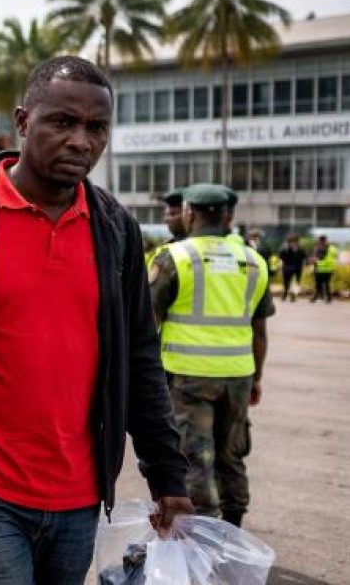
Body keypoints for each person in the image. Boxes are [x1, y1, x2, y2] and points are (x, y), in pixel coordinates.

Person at [0, 56, 192, 585]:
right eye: (63, 122)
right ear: (23, 121)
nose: (81, 141)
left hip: (79, 497)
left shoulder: (115, 228)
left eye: (96, 128)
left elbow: (140, 358)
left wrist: (167, 473)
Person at [148, 184, 274, 527]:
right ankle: (233, 526)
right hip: (239, 374)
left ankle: (203, 535)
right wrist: (257, 378)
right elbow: (259, 331)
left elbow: (147, 324)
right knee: (231, 454)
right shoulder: (253, 261)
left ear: (190, 213)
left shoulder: (175, 258)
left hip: (189, 377)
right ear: (226, 215)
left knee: (195, 457)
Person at [278, 234, 307, 302]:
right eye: (291, 241)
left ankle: (293, 295)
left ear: (297, 241)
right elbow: (280, 257)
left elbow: (305, 257)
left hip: (297, 269)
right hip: (287, 269)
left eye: (294, 241)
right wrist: (288, 250)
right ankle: (285, 294)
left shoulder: (300, 249)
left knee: (296, 283)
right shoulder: (285, 249)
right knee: (286, 283)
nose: (292, 243)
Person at [310, 235, 338, 303]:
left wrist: (317, 261)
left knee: (326, 284)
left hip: (327, 269)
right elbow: (315, 257)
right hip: (319, 269)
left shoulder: (331, 249)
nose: (321, 242)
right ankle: (318, 297)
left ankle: (327, 297)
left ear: (325, 241)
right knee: (318, 284)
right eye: (320, 241)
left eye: (322, 241)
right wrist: (314, 263)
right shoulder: (317, 248)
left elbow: (331, 258)